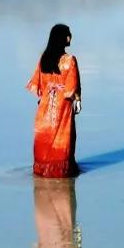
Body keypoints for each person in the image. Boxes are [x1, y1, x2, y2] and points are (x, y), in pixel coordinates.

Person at [25, 24, 82, 178]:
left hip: (44, 107)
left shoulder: (44, 59)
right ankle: (64, 173)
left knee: (45, 138)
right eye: (68, 34)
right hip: (62, 106)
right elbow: (72, 87)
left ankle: (42, 172)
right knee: (64, 138)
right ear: (62, 38)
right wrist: (78, 100)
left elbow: (39, 86)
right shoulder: (69, 60)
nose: (70, 37)